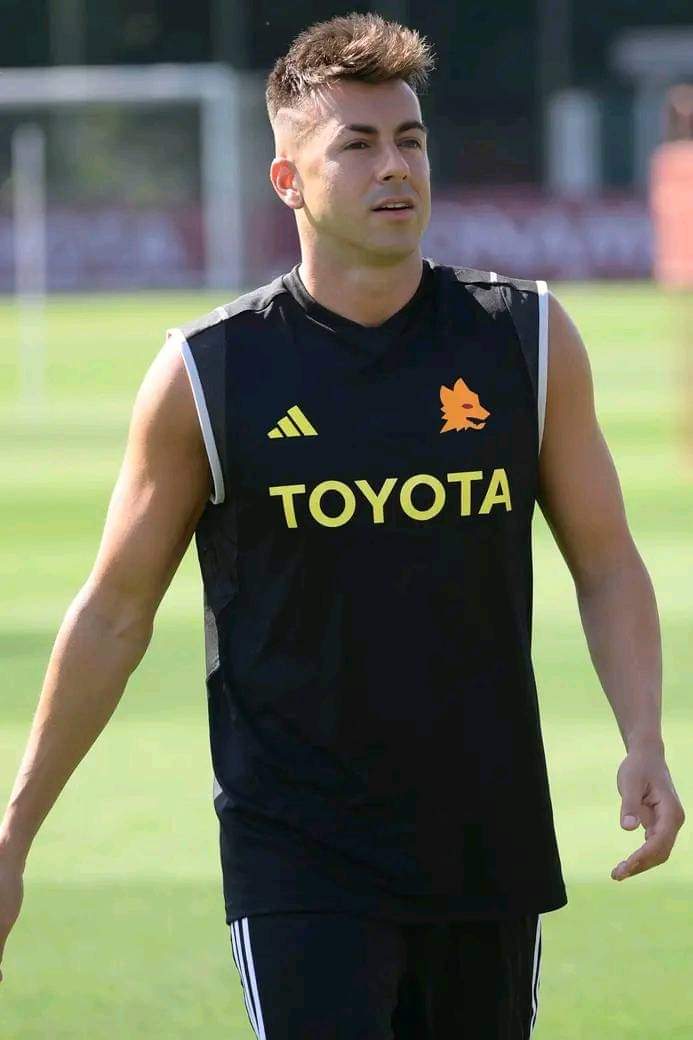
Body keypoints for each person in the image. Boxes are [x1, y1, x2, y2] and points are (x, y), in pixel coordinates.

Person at [0, 11, 686, 1038]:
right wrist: (14, 833)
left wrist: (643, 735)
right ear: (288, 180)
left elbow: (607, 563)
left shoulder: (524, 339)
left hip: (485, 841)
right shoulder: (210, 373)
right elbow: (113, 614)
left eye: (409, 139)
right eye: (356, 145)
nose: (394, 166)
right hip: (299, 856)